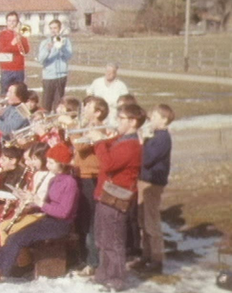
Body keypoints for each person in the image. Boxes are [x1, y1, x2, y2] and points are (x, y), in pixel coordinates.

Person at [0, 142, 79, 285]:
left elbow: (63, 212)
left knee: (18, 238)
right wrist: (31, 200)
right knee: (13, 236)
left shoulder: (70, 182)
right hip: (49, 219)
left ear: (62, 164)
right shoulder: (55, 179)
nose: (47, 165)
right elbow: (48, 204)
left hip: (60, 224)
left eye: (51, 162)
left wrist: (40, 203)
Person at [86, 103, 146, 292]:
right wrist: (103, 137)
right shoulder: (123, 139)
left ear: (133, 121)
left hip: (115, 197)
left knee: (113, 242)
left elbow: (108, 164)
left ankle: (116, 279)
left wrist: (98, 142)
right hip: (105, 195)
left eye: (121, 119)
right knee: (102, 239)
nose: (117, 122)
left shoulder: (131, 145)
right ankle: (103, 275)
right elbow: (110, 149)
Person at [131, 104, 174, 275]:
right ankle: (146, 255)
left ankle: (157, 259)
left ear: (164, 120)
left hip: (152, 184)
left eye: (155, 116)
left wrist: (143, 141)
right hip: (144, 181)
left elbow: (147, 159)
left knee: (151, 221)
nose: (151, 119)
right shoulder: (156, 135)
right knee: (143, 219)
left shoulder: (163, 138)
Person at [70, 96, 110, 277]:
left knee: (92, 222)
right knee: (82, 220)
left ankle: (93, 261)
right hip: (80, 175)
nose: (84, 108)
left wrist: (71, 126)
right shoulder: (86, 126)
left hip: (91, 178)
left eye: (88, 106)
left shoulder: (101, 129)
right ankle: (83, 257)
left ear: (98, 112)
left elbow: (80, 146)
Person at [38, 19, 73, 112]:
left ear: (60, 29)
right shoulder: (44, 43)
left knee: (59, 104)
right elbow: (41, 60)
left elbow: (69, 56)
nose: (53, 30)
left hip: (61, 76)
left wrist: (62, 47)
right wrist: (48, 50)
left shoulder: (66, 41)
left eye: (55, 28)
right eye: (51, 28)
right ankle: (45, 122)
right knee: (46, 103)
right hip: (48, 76)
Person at [0, 11, 30, 94]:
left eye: (14, 21)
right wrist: (13, 43)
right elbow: (2, 50)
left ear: (17, 22)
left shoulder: (21, 35)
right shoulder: (1, 34)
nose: (11, 23)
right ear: (6, 22)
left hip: (19, 69)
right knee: (5, 94)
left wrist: (20, 37)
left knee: (19, 94)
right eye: (9, 21)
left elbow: (26, 50)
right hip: (7, 69)